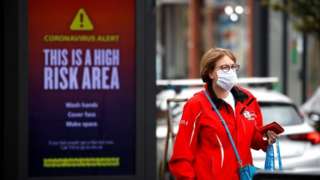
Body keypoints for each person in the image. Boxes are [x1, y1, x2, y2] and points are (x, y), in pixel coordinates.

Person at [169, 48, 278, 180]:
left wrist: (266, 139)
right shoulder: (196, 105)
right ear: (210, 73)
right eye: (224, 68)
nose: (230, 72)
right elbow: (181, 156)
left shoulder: (247, 99)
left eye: (233, 67)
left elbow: (254, 138)